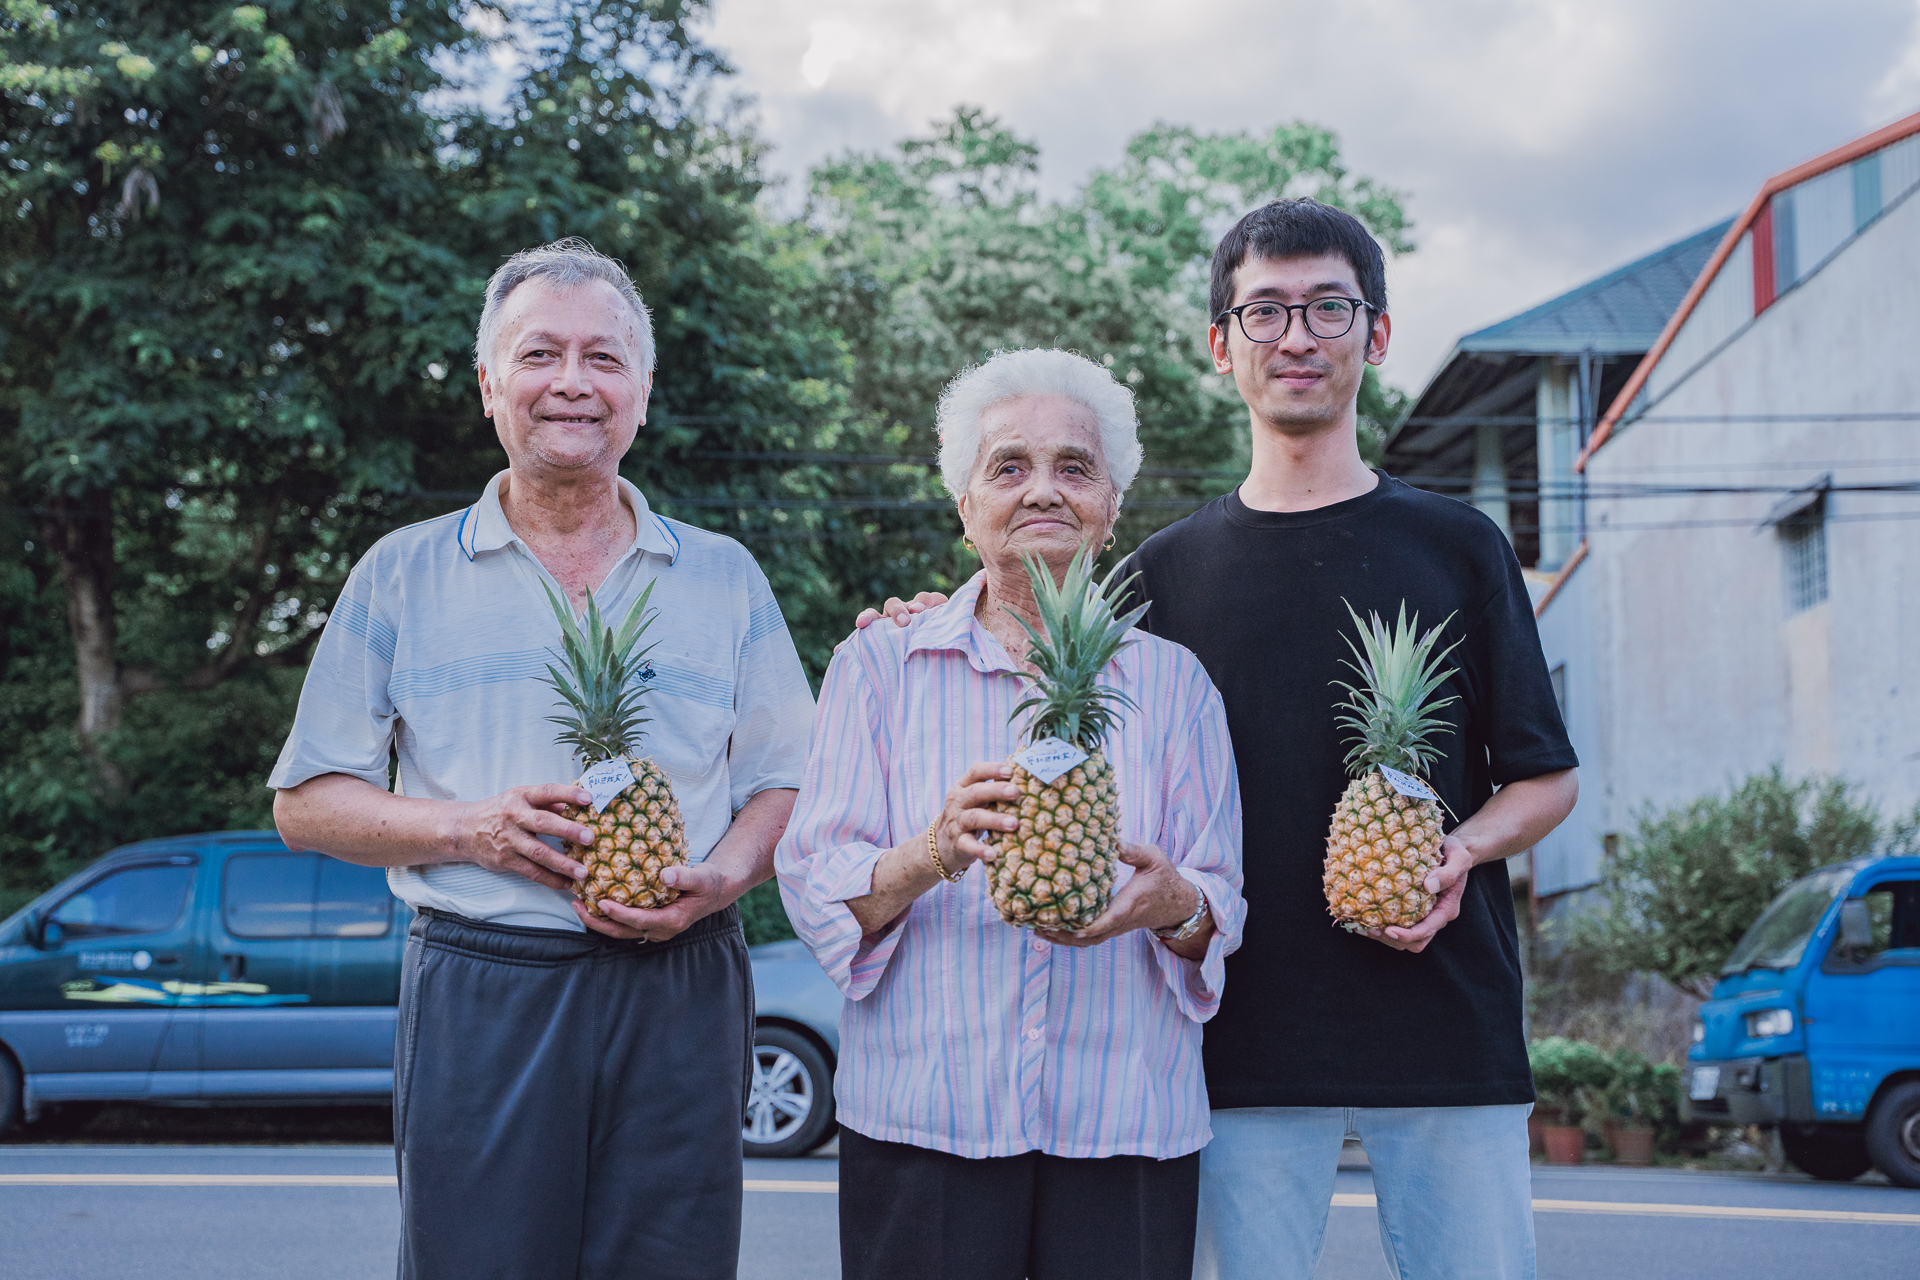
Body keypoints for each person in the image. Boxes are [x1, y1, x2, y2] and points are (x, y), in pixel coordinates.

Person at [862, 201, 1579, 1279]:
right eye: (1265, 310)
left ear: (1374, 335)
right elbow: (1047, 656)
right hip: (1234, 1037)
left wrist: (1463, 852)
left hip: (1447, 1021)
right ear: (1222, 342)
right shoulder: (1159, 572)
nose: (1297, 336)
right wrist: (928, 612)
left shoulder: (1459, 544)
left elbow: (1546, 777)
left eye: (1328, 307)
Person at [270, 239, 814, 1280]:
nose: (573, 382)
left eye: (604, 358)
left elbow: (788, 780)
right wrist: (467, 825)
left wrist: (729, 875)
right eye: (540, 354)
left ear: (642, 393)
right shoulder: (402, 573)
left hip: (683, 978)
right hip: (485, 978)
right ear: (489, 384)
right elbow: (308, 802)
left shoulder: (724, 577)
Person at [779, 348, 1247, 1280]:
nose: (1043, 490)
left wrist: (1176, 908)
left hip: (1127, 1124)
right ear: (966, 509)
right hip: (925, 1121)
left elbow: (1218, 906)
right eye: (1009, 466)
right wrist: (928, 853)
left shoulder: (1174, 686)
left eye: (1075, 468)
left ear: (1112, 509)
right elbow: (813, 885)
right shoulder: (879, 667)